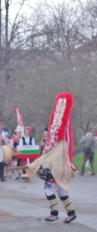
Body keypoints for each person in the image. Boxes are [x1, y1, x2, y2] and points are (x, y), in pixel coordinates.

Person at [26, 93, 77, 223]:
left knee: (49, 191)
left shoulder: (60, 143)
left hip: (55, 170)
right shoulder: (54, 141)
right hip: (56, 170)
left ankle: (54, 214)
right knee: (60, 191)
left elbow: (49, 155)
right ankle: (71, 213)